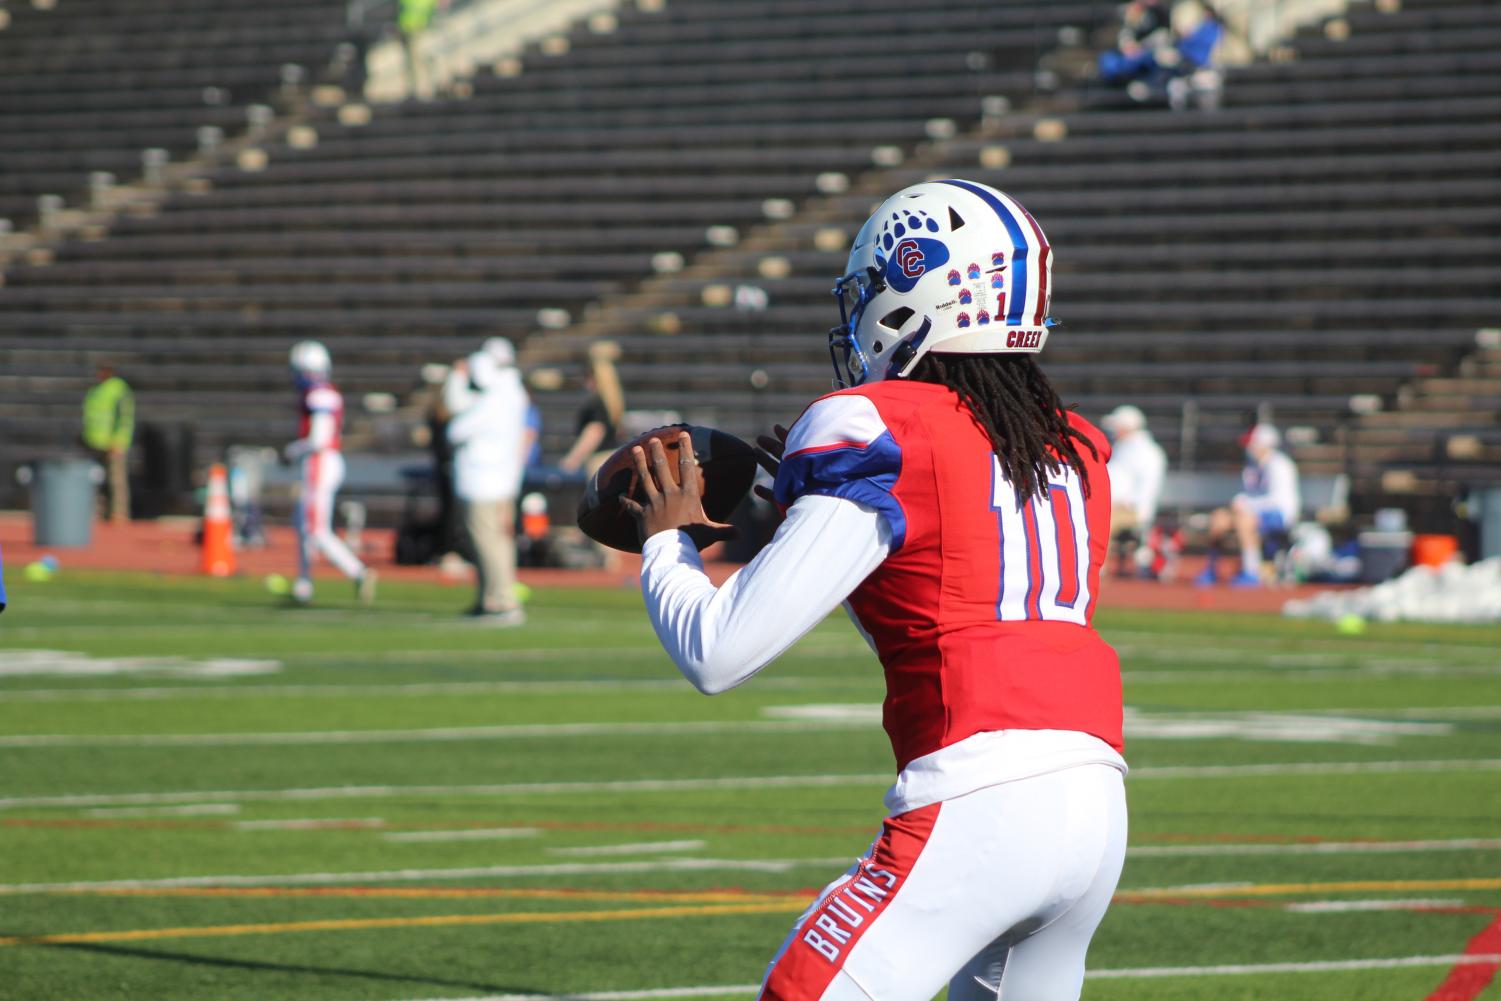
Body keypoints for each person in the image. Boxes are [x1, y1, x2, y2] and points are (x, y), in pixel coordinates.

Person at [622, 180, 1126, 1001]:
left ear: (916, 288)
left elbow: (718, 652)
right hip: (1096, 800)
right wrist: (820, 506)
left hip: (979, 804)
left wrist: (664, 538)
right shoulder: (1073, 447)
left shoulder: (874, 424)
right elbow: (940, 588)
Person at [446, 338, 530, 624]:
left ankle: (500, 601)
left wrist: (456, 380)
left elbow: (456, 430)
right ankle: (490, 597)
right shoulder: (510, 392)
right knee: (495, 541)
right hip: (500, 479)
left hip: (483, 480)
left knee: (487, 541)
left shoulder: (496, 395)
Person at [285, 341, 375, 605]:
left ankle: (358, 571)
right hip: (322, 462)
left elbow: (319, 438)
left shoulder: (319, 394)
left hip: (319, 462)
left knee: (316, 530)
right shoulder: (322, 393)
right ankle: (303, 587)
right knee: (302, 525)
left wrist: (292, 450)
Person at [1197, 422, 1301, 587]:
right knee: (1219, 518)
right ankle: (1211, 568)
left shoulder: (1280, 465)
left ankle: (1251, 571)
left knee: (1244, 520)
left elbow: (1277, 500)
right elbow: (1248, 494)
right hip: (1254, 512)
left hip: (1280, 514)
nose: (1249, 448)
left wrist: (1247, 504)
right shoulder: (1252, 466)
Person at [1102, 404, 1167, 576]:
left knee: (1101, 521)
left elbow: (1146, 490)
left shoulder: (1146, 452)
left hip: (1131, 510)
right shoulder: (1124, 448)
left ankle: (1096, 569)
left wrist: (1128, 505)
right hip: (1115, 505)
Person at [558, 341, 625, 476]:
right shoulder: (612, 401)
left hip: (599, 461)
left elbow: (595, 431)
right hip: (613, 457)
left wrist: (573, 459)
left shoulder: (596, 402)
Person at [81, 363, 134, 523]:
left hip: (112, 442)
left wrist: (118, 440)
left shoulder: (118, 390)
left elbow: (124, 417)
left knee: (116, 480)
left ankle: (119, 512)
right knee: (95, 479)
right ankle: (98, 511)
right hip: (94, 441)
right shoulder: (95, 390)